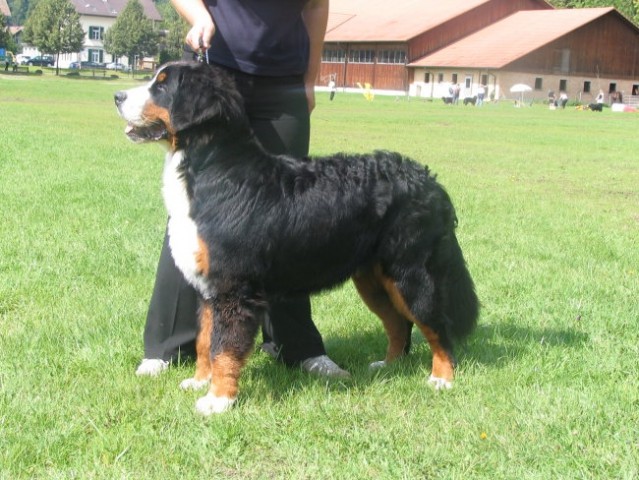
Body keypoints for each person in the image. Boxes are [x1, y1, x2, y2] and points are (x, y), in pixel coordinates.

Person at [136, 0, 350, 379]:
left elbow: (316, 5)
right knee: (194, 212)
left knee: (287, 214)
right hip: (212, 76)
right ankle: (169, 345)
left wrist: (309, 79)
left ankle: (296, 345)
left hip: (283, 84)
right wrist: (200, 16)